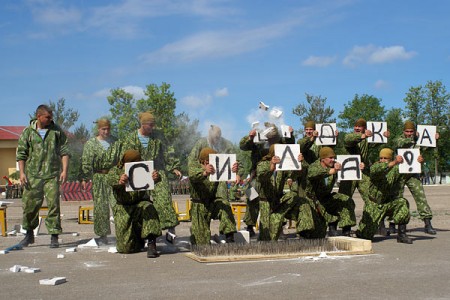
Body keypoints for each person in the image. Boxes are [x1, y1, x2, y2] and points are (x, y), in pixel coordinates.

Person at [118, 112, 182, 243]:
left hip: (156, 172)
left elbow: (168, 151)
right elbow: (126, 157)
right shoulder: (131, 138)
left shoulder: (158, 137)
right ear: (142, 124)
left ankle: (170, 229)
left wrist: (173, 167)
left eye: (153, 125)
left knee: (164, 198)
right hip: (138, 174)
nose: (152, 128)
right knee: (143, 204)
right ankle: (147, 234)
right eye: (150, 125)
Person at [16, 104, 70, 248]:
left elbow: (64, 151)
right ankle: (28, 236)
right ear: (38, 116)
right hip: (33, 175)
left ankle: (54, 237)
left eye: (51, 116)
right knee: (30, 206)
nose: (50, 119)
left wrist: (64, 170)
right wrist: (21, 173)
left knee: (53, 205)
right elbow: (21, 154)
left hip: (52, 175)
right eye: (47, 117)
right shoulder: (28, 132)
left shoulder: (56, 131)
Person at [239, 122, 295, 238]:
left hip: (274, 175)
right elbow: (243, 146)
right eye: (269, 138)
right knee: (251, 196)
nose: (271, 141)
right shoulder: (258, 142)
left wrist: (291, 134)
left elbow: (291, 144)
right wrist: (250, 137)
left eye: (273, 138)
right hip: (255, 176)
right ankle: (250, 225)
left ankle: (279, 227)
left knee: (276, 198)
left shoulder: (281, 142)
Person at [106, 149, 162, 257]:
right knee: (125, 248)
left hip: (139, 204)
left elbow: (157, 177)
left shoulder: (144, 168)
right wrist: (119, 180)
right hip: (123, 208)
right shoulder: (116, 170)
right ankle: (138, 239)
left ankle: (151, 242)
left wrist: (156, 177)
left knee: (149, 207)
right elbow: (110, 179)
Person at [356, 148, 412, 244]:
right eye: (381, 158)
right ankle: (361, 232)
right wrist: (394, 162)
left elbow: (409, 170)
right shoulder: (376, 167)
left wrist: (419, 162)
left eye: (385, 158)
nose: (382, 160)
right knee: (366, 236)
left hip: (388, 202)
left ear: (390, 158)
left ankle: (401, 235)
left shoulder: (396, 169)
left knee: (402, 202)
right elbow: (375, 170)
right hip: (375, 205)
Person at [392, 120, 438, 235]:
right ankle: (392, 223)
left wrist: (435, 139)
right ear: (403, 131)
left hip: (413, 173)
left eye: (411, 131)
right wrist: (414, 139)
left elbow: (428, 147)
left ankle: (427, 223)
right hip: (399, 173)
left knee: (420, 197)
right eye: (407, 131)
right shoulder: (399, 139)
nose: (409, 133)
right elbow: (400, 144)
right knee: (396, 198)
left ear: (414, 131)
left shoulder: (419, 141)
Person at [80, 118, 118, 244]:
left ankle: (122, 232)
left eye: (108, 129)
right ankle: (103, 235)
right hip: (99, 177)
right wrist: (85, 178)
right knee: (101, 207)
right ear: (98, 129)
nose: (106, 131)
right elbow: (86, 161)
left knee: (118, 204)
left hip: (114, 176)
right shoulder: (91, 144)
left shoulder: (115, 141)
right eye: (103, 129)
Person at [188, 147, 237, 245]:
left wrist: (233, 171)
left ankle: (230, 237)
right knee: (202, 243)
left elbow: (226, 175)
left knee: (224, 205)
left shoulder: (216, 169)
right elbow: (193, 176)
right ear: (206, 161)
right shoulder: (194, 166)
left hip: (212, 204)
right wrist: (205, 172)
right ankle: (196, 231)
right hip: (199, 206)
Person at [306, 147, 358, 237]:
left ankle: (346, 230)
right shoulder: (314, 166)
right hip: (313, 201)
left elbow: (349, 170)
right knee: (317, 235)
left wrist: (358, 167)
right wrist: (332, 171)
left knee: (346, 200)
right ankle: (330, 224)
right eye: (330, 158)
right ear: (322, 159)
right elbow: (313, 173)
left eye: (333, 157)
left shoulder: (334, 165)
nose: (333, 160)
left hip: (326, 198)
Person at [338, 118, 385, 204]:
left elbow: (378, 140)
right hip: (349, 173)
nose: (357, 128)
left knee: (371, 200)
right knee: (343, 200)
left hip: (363, 173)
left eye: (359, 127)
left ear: (365, 128)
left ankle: (369, 217)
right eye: (355, 126)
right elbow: (348, 140)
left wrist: (385, 135)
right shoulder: (349, 137)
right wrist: (363, 136)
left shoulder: (367, 141)